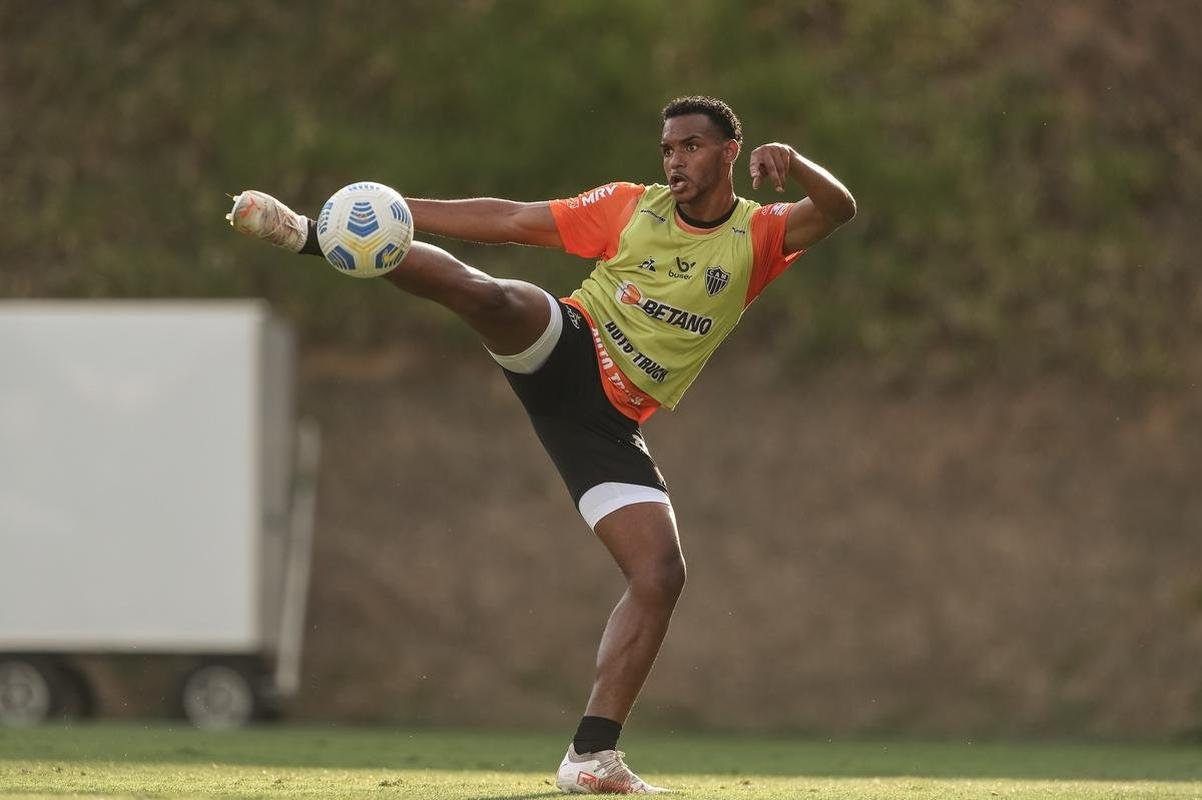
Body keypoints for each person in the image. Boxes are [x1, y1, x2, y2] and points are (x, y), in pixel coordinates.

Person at [228, 95, 855, 795]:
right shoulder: (630, 206)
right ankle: (313, 236)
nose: (676, 161)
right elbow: (513, 218)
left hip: (604, 427)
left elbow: (838, 211)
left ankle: (592, 758)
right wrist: (395, 211)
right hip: (572, 349)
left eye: (692, 147)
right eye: (668, 149)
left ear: (729, 153)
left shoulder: (760, 234)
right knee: (497, 299)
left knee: (660, 574)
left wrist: (797, 164)